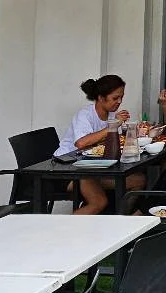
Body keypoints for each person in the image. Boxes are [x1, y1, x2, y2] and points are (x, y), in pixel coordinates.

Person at [60, 74, 146, 215]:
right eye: (115, 98)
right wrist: (112, 126)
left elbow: (113, 142)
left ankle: (120, 219)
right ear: (101, 98)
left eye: (121, 97)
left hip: (94, 167)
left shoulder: (112, 115)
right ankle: (62, 226)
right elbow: (81, 143)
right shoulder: (85, 115)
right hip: (68, 169)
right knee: (99, 202)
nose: (119, 102)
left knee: (138, 180)